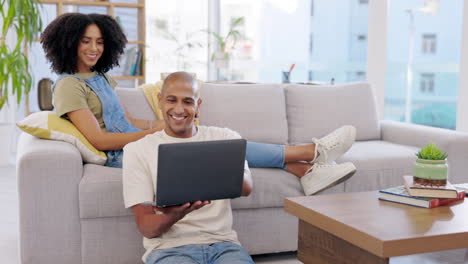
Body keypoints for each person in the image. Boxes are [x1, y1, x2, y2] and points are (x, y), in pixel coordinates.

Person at [41, 13, 356, 195]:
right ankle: (312, 152)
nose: (94, 48)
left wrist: (162, 125)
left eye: (99, 41)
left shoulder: (101, 79)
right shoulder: (68, 86)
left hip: (137, 141)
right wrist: (152, 136)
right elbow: (98, 139)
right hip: (123, 155)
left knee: (215, 137)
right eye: (86, 41)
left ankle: (304, 171)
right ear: (69, 42)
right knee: (222, 144)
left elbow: (125, 120)